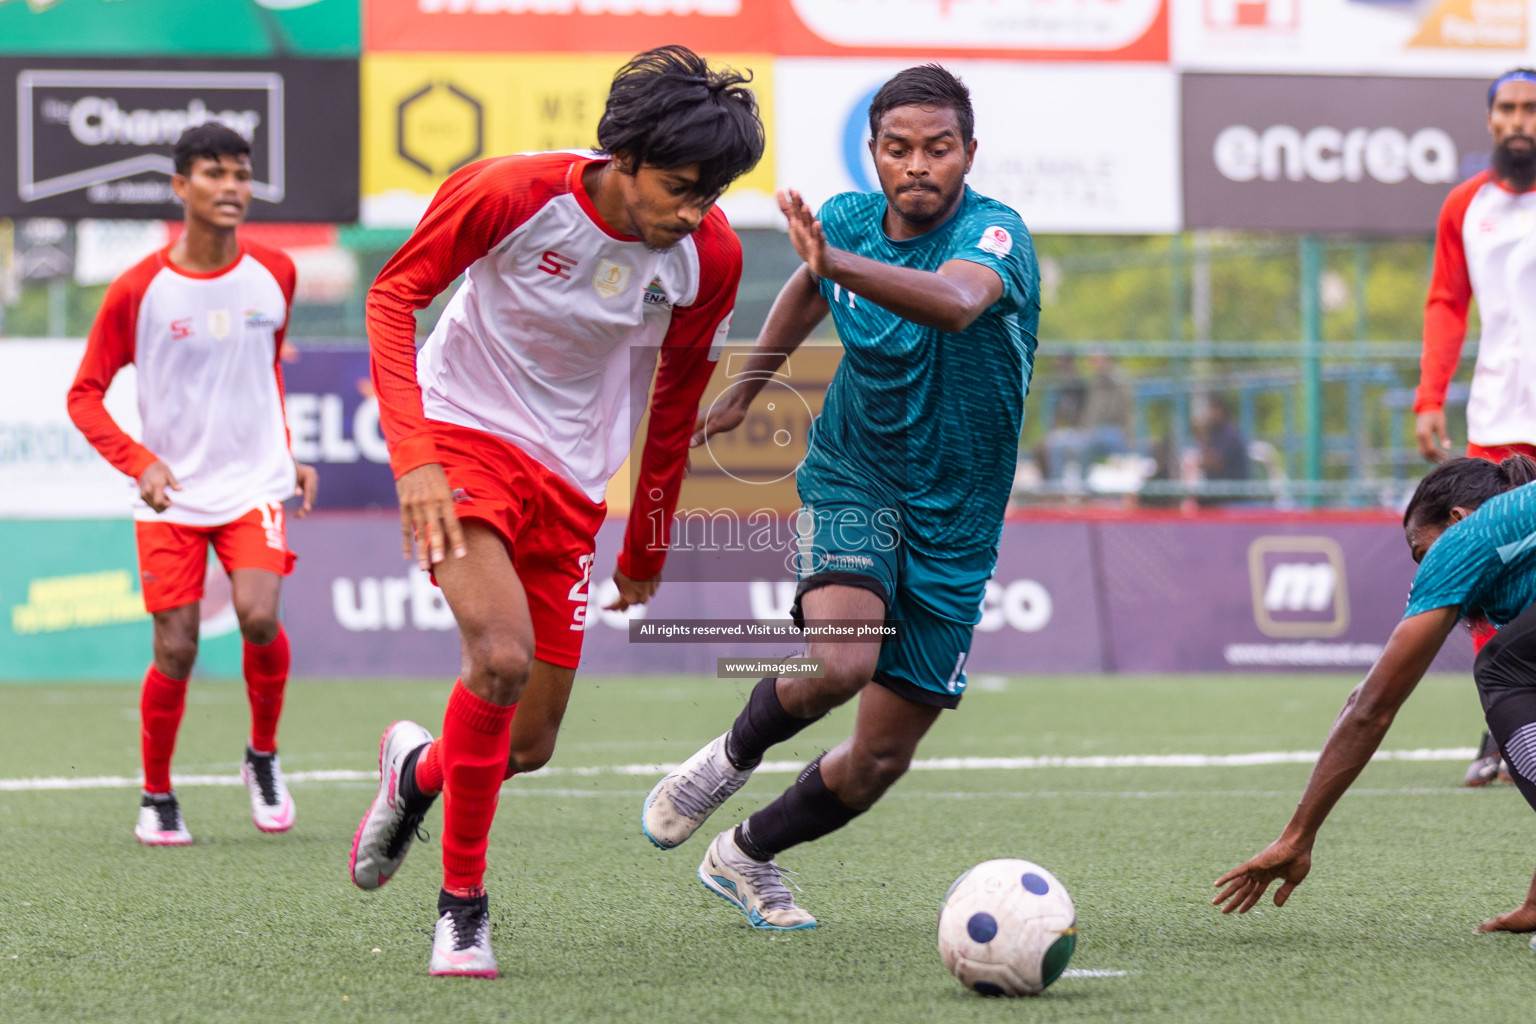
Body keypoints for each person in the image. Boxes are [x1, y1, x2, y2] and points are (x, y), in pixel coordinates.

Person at [345, 46, 764, 977]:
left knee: (525, 745)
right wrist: (414, 461)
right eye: (680, 187)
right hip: (462, 438)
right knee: (497, 659)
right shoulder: (507, 191)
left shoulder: (711, 256)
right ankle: (463, 908)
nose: (692, 211)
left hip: (571, 481)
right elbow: (393, 295)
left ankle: (413, 775)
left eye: (712, 193)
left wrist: (648, 538)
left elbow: (674, 402)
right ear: (625, 156)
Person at [641, 64, 1039, 930]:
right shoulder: (850, 222)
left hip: (958, 521)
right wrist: (749, 385)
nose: (918, 165)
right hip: (855, 476)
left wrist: (836, 262)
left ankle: (745, 855)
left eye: (938, 148)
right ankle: (730, 755)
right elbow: (810, 287)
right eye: (898, 149)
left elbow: (956, 304)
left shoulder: (997, 235)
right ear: (874, 154)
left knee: (879, 759)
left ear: (969, 153)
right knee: (843, 661)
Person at [66, 123, 317, 847]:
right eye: (214, 174)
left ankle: (262, 759)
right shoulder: (137, 289)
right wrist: (138, 461)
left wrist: (286, 453)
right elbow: (84, 395)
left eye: (241, 174)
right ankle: (157, 794)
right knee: (175, 647)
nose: (232, 187)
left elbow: (262, 372)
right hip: (169, 495)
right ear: (181, 187)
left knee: (258, 617)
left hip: (254, 487)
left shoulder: (276, 272)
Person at [1214, 455, 1536, 935]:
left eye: (1419, 551)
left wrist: (1297, 836)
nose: (1422, 567)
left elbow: (1371, 708)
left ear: (1457, 518)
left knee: (1501, 669)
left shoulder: (1469, 538)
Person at [1415, 69, 1536, 786]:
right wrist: (1429, 396)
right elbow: (1446, 303)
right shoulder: (1466, 204)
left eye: (1531, 109)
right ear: (1489, 119)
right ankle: (1502, 724)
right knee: (1490, 572)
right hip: (1496, 421)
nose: (1519, 120)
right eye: (1508, 109)